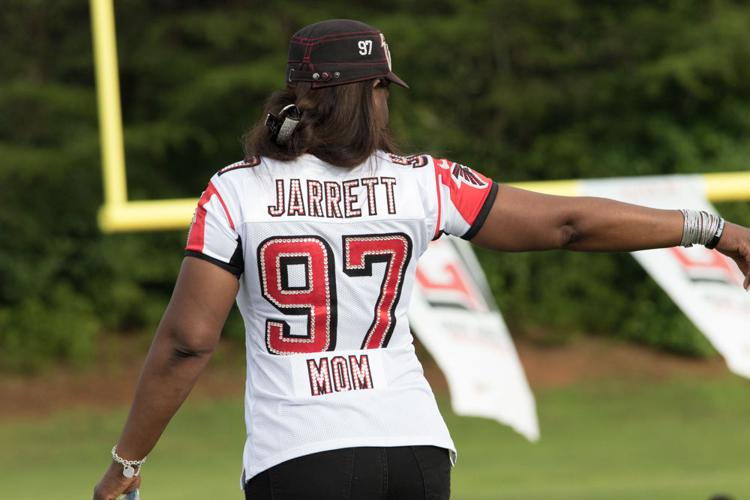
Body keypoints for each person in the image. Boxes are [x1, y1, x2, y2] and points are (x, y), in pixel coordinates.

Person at [93, 18, 750, 500]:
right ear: (366, 94)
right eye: (380, 89)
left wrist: (127, 462)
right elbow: (568, 224)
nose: (383, 103)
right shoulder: (424, 180)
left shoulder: (234, 190)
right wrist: (713, 229)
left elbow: (188, 341)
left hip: (301, 454)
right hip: (414, 452)